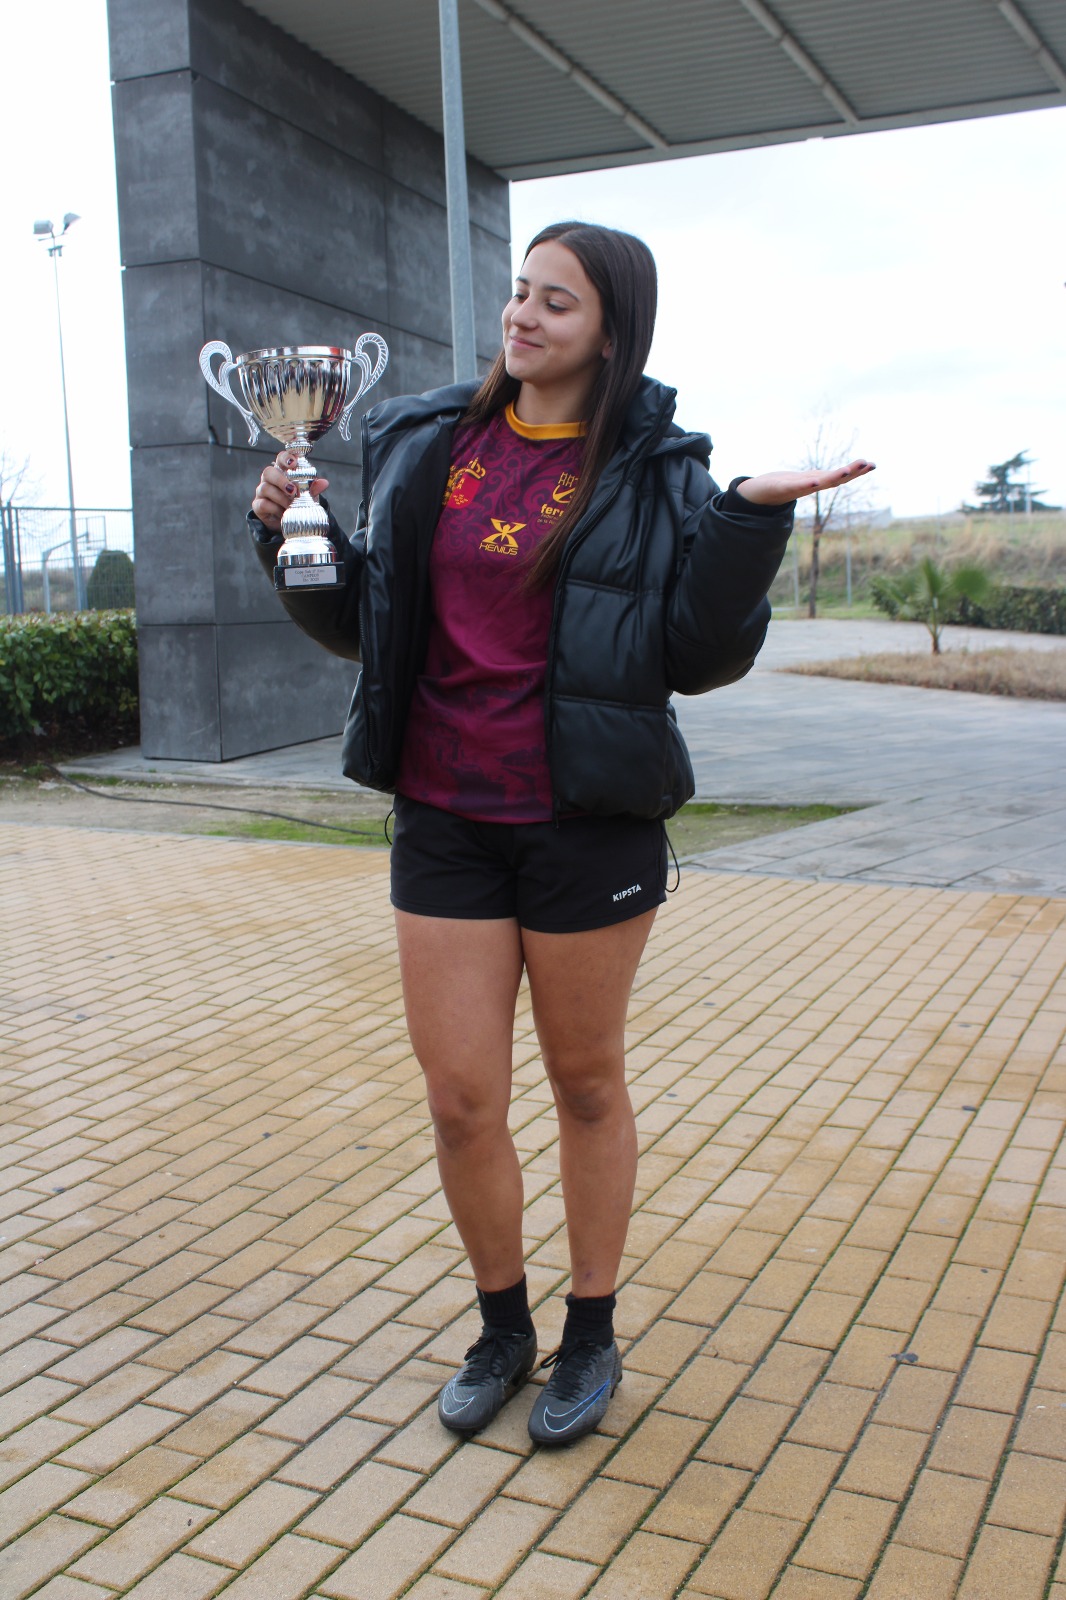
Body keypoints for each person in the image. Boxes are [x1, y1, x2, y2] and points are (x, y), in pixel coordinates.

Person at [248, 220, 874, 1446]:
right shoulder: (428, 439)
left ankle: (591, 1331)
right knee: (459, 1097)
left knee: (585, 1084)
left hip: (585, 818)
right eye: (519, 292)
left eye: (556, 302)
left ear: (609, 331)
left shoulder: (657, 468)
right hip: (445, 815)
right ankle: (503, 1326)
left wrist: (746, 520)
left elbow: (694, 653)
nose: (522, 316)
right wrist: (288, 535)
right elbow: (366, 621)